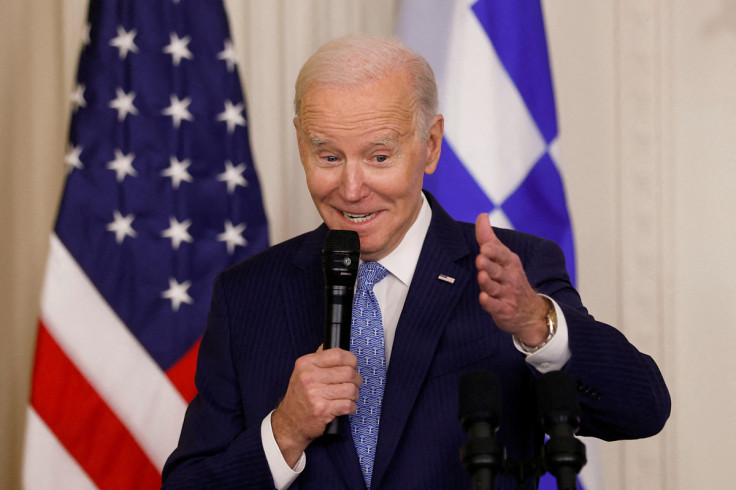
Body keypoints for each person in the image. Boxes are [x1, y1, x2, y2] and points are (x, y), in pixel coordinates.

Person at [162, 36, 670, 489]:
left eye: (379, 157)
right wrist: (285, 431)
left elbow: (641, 410)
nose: (352, 189)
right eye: (329, 157)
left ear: (429, 146)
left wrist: (537, 324)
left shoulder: (513, 270)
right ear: (301, 143)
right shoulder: (247, 294)